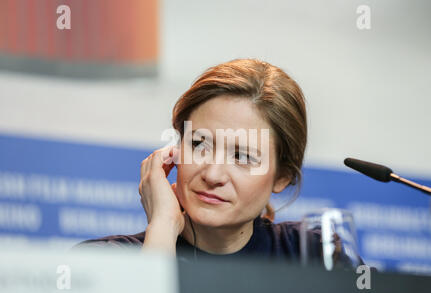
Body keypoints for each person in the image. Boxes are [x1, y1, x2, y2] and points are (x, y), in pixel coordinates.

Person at [73, 58, 362, 270]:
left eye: (243, 157)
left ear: (282, 176)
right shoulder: (105, 260)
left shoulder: (315, 256)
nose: (212, 174)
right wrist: (161, 227)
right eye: (199, 145)